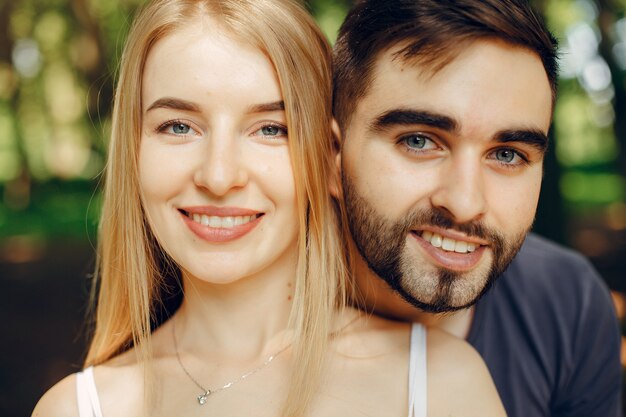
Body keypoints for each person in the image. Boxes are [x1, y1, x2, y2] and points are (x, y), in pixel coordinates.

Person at [32, 0, 506, 416]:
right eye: (178, 126)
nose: (218, 177)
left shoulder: (439, 382)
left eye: (270, 129)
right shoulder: (77, 408)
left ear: (328, 159)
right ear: (133, 153)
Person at [332, 0, 622, 416]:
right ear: (332, 155)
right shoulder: (245, 307)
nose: (465, 204)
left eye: (507, 154)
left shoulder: (568, 303)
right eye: (419, 141)